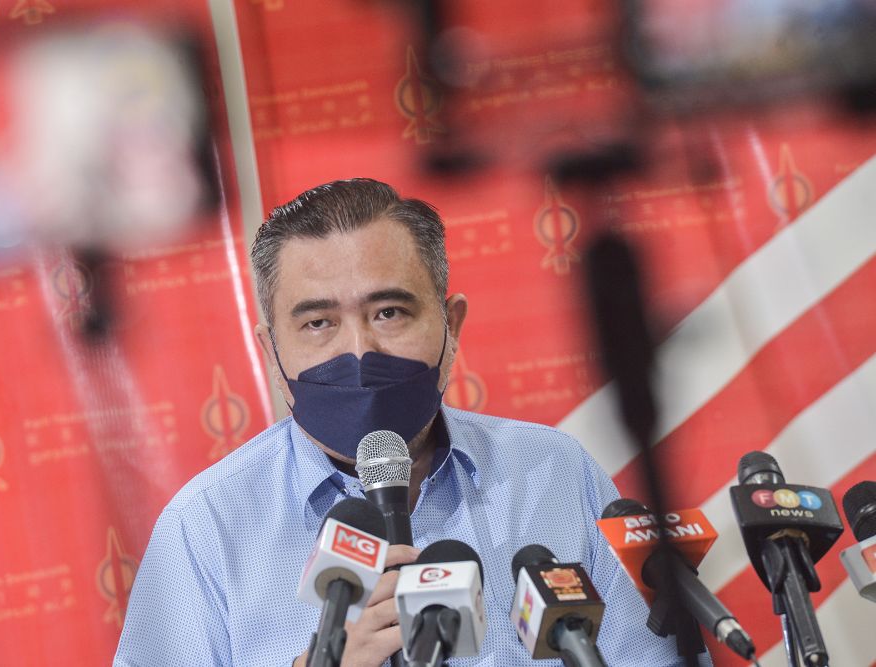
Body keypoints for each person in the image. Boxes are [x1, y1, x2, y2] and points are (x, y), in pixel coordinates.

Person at [114, 178, 710, 666]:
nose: (360, 351)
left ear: (452, 327)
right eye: (319, 323)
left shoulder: (554, 471)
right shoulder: (206, 529)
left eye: (390, 311)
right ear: (271, 353)